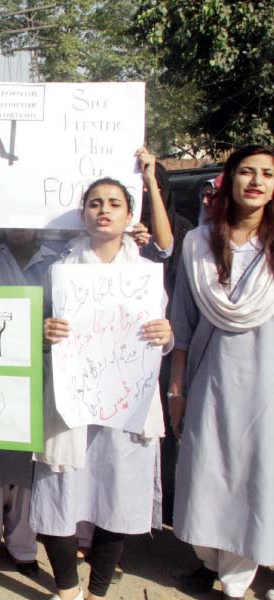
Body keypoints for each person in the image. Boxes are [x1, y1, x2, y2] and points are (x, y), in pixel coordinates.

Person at [36, 176, 173, 600]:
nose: (104, 209)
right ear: (83, 215)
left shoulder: (147, 274)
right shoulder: (58, 273)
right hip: (70, 402)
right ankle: (67, 590)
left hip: (126, 403)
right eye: (95, 202)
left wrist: (164, 335)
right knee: (62, 491)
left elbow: (160, 343)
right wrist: (45, 333)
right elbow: (35, 334)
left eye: (114, 202)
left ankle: (96, 592)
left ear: (129, 216)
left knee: (116, 493)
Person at [169, 146, 274, 600]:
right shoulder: (198, 244)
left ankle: (238, 576)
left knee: (257, 474)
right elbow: (182, 323)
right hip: (211, 379)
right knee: (207, 472)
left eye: (268, 174)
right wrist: (176, 389)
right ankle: (212, 560)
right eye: (247, 172)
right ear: (229, 180)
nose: (256, 181)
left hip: (266, 379)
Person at [0, 228, 59, 580]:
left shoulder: (58, 260)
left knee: (28, 468)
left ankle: (23, 546)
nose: (20, 225)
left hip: (39, 371)